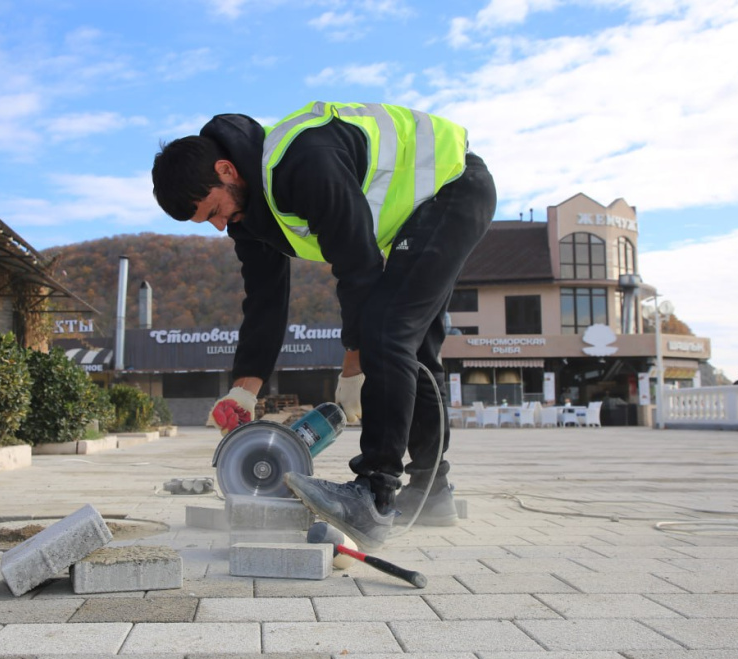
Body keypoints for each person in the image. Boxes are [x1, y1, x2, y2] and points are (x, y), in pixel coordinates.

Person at [151, 101, 497, 549]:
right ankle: (432, 492)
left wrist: (355, 366)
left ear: (226, 169)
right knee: (413, 347)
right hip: (419, 211)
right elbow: (265, 298)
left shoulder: (304, 159)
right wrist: (245, 388)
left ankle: (373, 496)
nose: (219, 226)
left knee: (388, 332)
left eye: (214, 210)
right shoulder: (248, 212)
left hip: (453, 184)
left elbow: (358, 268)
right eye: (208, 222)